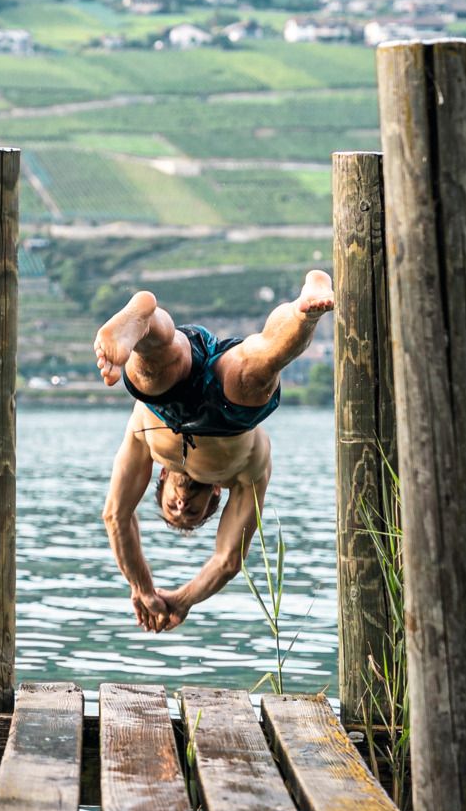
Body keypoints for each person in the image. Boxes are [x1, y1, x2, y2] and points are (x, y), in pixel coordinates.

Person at [93, 270, 335, 632]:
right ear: (215, 497)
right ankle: (305, 311)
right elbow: (227, 560)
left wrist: (142, 588)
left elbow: (115, 515)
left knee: (154, 369)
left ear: (160, 477)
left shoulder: (147, 445)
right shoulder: (241, 475)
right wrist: (182, 599)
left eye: (172, 508)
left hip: (166, 407)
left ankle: (143, 326)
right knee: (259, 364)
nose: (181, 507)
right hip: (232, 416)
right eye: (192, 514)